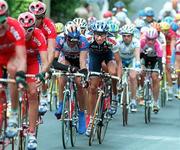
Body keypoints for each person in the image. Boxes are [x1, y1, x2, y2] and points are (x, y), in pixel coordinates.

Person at [18, 12, 48, 150]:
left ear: (33, 27)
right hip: (16, 61)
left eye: (29, 29)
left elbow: (45, 60)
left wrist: (41, 75)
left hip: (32, 63)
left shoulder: (39, 35)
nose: (25, 33)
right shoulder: (13, 35)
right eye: (22, 29)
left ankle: (31, 133)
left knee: (32, 93)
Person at [86, 20, 122, 136]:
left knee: (113, 73)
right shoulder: (88, 40)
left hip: (108, 57)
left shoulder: (112, 42)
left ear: (107, 34)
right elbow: (84, 57)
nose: (99, 37)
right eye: (97, 34)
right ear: (93, 33)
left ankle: (114, 95)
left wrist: (119, 78)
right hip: (94, 58)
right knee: (92, 88)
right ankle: (91, 119)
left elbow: (119, 62)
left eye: (102, 35)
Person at [54, 21, 89, 134]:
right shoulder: (59, 39)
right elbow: (54, 62)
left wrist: (83, 74)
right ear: (65, 36)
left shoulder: (83, 40)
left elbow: (83, 62)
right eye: (70, 40)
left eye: (75, 40)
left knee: (79, 83)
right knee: (62, 77)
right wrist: (67, 69)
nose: (73, 43)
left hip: (79, 61)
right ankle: (60, 103)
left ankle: (81, 114)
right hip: (66, 60)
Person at [0, 0, 27, 138]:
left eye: (2, 21)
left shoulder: (15, 27)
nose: (0, 26)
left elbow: (22, 57)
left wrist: (20, 75)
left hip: (12, 55)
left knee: (12, 70)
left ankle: (14, 114)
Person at [29, 1, 57, 115]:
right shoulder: (25, 22)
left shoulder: (49, 26)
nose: (35, 20)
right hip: (29, 50)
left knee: (43, 71)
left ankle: (44, 95)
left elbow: (51, 50)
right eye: (33, 17)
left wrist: (47, 67)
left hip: (43, 50)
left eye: (38, 18)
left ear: (43, 17)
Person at [113, 24, 141, 112]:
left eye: (128, 36)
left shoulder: (136, 42)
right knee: (118, 75)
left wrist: (137, 64)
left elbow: (137, 56)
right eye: (124, 36)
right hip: (121, 60)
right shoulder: (117, 42)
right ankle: (117, 92)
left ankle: (133, 101)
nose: (126, 38)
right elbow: (114, 56)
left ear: (132, 36)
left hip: (131, 60)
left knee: (133, 77)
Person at [140, 27, 163, 112]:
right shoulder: (142, 42)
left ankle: (155, 102)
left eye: (152, 40)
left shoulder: (158, 45)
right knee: (141, 72)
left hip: (155, 60)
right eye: (148, 39)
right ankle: (142, 89)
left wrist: (161, 73)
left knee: (155, 77)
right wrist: (140, 66)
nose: (150, 42)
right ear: (146, 38)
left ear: (156, 39)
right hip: (144, 58)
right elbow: (138, 55)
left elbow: (160, 61)